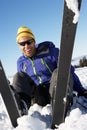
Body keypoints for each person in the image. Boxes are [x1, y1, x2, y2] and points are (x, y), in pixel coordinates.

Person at [11, 26, 86, 115]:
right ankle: (21, 106)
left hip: (55, 89)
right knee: (19, 76)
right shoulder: (21, 62)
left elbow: (68, 71)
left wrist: (80, 90)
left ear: (34, 41)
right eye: (22, 44)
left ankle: (60, 102)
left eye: (29, 42)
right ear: (19, 46)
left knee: (59, 71)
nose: (26, 46)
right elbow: (22, 84)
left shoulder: (51, 52)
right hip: (38, 97)